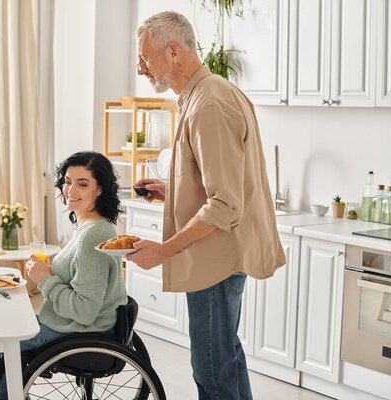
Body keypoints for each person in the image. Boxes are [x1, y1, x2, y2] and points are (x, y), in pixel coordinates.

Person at [126, 11, 286, 400]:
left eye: (145, 59)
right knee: (223, 361)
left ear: (174, 51)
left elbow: (226, 204)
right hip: (215, 256)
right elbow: (220, 185)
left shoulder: (208, 103)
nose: (141, 69)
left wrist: (163, 251)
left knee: (213, 371)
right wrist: (173, 190)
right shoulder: (201, 95)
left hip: (216, 261)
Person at [0, 151, 127, 399]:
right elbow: (81, 281)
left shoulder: (92, 235)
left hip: (82, 329)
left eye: (82, 184)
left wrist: (45, 279)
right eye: (68, 181)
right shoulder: (90, 226)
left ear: (100, 189)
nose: (71, 190)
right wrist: (51, 273)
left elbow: (84, 311)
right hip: (73, 324)